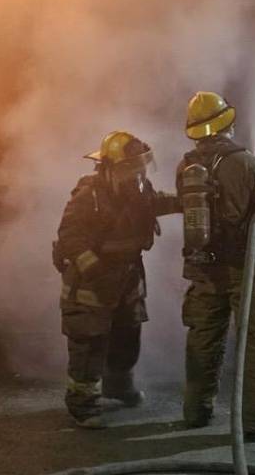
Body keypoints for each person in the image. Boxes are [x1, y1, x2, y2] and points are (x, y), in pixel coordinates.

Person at [177, 91, 255, 442]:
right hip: (245, 267)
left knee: (203, 339)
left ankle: (196, 411)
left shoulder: (187, 165)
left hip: (204, 269)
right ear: (227, 122)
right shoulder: (244, 162)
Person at [54, 130, 178, 428]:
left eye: (141, 166)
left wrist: (187, 201)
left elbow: (154, 203)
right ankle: (83, 406)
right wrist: (95, 271)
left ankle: (119, 386)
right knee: (89, 343)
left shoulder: (138, 190)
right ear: (111, 168)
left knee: (127, 335)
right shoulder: (89, 195)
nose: (139, 172)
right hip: (91, 283)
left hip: (127, 278)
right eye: (131, 167)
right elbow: (70, 238)